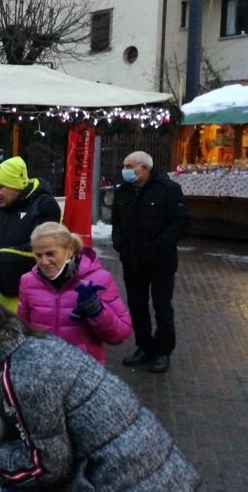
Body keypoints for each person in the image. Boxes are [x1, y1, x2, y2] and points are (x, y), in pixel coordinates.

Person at [0, 297, 201, 490]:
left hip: (122, 477)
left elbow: (48, 465)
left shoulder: (23, 375)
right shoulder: (36, 344)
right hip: (155, 464)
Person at [112, 151, 190, 373]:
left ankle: (163, 351)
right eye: (125, 165)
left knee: (162, 305)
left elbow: (181, 222)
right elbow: (116, 220)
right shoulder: (123, 191)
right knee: (137, 304)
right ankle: (144, 346)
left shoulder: (168, 190)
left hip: (160, 261)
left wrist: (159, 246)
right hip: (132, 259)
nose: (124, 169)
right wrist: (120, 243)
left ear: (144, 168)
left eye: (129, 165)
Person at [17, 221, 132, 364]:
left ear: (70, 250)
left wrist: (97, 311)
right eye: (38, 255)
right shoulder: (28, 281)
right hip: (43, 372)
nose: (44, 262)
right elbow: (23, 330)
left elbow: (120, 334)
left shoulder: (99, 279)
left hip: (84, 373)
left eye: (50, 254)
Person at [0, 156, 61, 313]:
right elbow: (3, 247)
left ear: (15, 186)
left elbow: (40, 250)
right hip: (4, 294)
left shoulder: (45, 205)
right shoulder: (4, 208)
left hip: (32, 296)